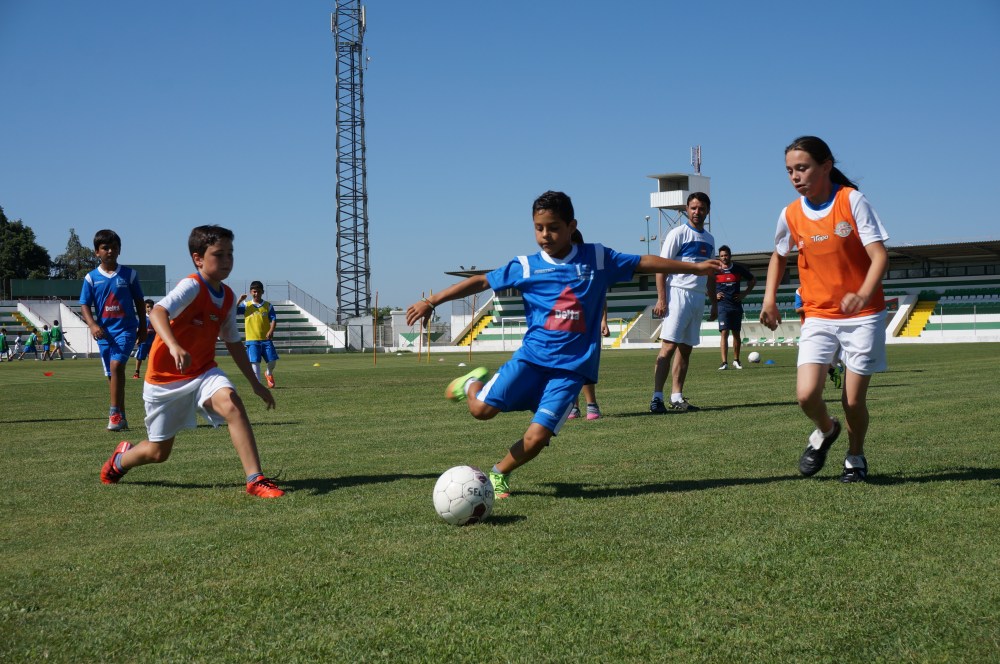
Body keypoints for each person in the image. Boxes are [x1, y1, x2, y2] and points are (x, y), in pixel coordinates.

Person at [405, 191, 722, 499]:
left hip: (570, 371)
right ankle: (472, 383)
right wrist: (432, 300)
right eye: (539, 228)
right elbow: (482, 282)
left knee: (538, 437)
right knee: (481, 411)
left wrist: (694, 267)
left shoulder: (597, 258)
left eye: (554, 227)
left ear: (571, 226)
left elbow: (644, 262)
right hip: (531, 360)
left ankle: (499, 473)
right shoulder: (526, 266)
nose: (545, 235)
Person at [99, 225, 284, 499]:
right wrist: (174, 345)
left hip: (203, 372)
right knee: (157, 452)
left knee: (232, 403)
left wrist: (255, 384)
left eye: (230, 254)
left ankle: (255, 479)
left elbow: (233, 343)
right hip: (164, 382)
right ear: (198, 258)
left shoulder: (229, 297)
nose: (227, 261)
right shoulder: (191, 286)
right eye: (218, 255)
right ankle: (119, 461)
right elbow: (158, 312)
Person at [760, 136, 889, 484]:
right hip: (818, 314)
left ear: (826, 166)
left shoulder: (852, 201)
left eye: (802, 168)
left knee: (853, 401)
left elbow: (879, 256)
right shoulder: (790, 213)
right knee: (805, 395)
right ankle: (826, 429)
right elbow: (778, 255)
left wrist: (863, 294)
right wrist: (768, 298)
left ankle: (855, 456)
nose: (795, 176)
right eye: (789, 171)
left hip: (863, 316)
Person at [649, 192, 717, 413]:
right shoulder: (678, 234)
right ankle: (657, 397)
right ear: (686, 210)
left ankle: (677, 397)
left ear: (707, 210)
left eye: (701, 208)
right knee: (668, 346)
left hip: (698, 298)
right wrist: (662, 299)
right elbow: (661, 266)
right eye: (693, 208)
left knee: (686, 349)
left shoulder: (709, 238)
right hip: (678, 293)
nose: (697, 212)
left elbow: (710, 273)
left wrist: (713, 302)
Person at [80, 229, 147, 431]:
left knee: (117, 367)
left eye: (114, 247)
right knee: (112, 376)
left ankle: (113, 413)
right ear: (96, 252)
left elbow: (139, 302)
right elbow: (84, 304)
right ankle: (122, 417)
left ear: (120, 250)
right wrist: (92, 324)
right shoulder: (91, 278)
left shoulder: (129, 275)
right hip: (104, 334)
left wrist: (142, 327)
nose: (110, 251)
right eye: (105, 247)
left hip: (126, 330)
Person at [714, 245, 756, 370]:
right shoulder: (715, 269)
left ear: (730, 255)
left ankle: (736, 360)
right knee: (724, 333)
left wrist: (744, 294)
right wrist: (713, 294)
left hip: (736, 306)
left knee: (736, 334)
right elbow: (703, 283)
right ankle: (724, 363)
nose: (724, 258)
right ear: (719, 257)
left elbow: (753, 280)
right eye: (721, 256)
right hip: (722, 306)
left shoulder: (737, 268)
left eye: (726, 255)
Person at [794, 288, 841, 389]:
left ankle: (829, 374)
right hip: (808, 328)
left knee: (822, 357)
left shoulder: (821, 286)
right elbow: (797, 309)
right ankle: (827, 376)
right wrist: (813, 308)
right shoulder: (799, 291)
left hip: (826, 325)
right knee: (812, 358)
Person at [236, 281, 279, 388]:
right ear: (251, 292)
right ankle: (258, 385)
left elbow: (273, 319)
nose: (256, 293)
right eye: (254, 291)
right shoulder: (246, 305)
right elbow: (233, 310)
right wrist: (240, 300)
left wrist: (271, 330)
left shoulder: (268, 306)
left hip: (266, 339)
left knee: (272, 361)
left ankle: (268, 373)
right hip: (252, 340)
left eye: (258, 291)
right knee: (255, 363)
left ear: (262, 292)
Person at [132, 300, 156, 379]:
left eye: (151, 307)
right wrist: (137, 338)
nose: (150, 308)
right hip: (144, 341)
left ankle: (152, 372)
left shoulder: (156, 317)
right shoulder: (142, 318)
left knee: (152, 357)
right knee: (140, 357)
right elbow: (138, 329)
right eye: (148, 307)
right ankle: (136, 372)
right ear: (145, 308)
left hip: (153, 342)